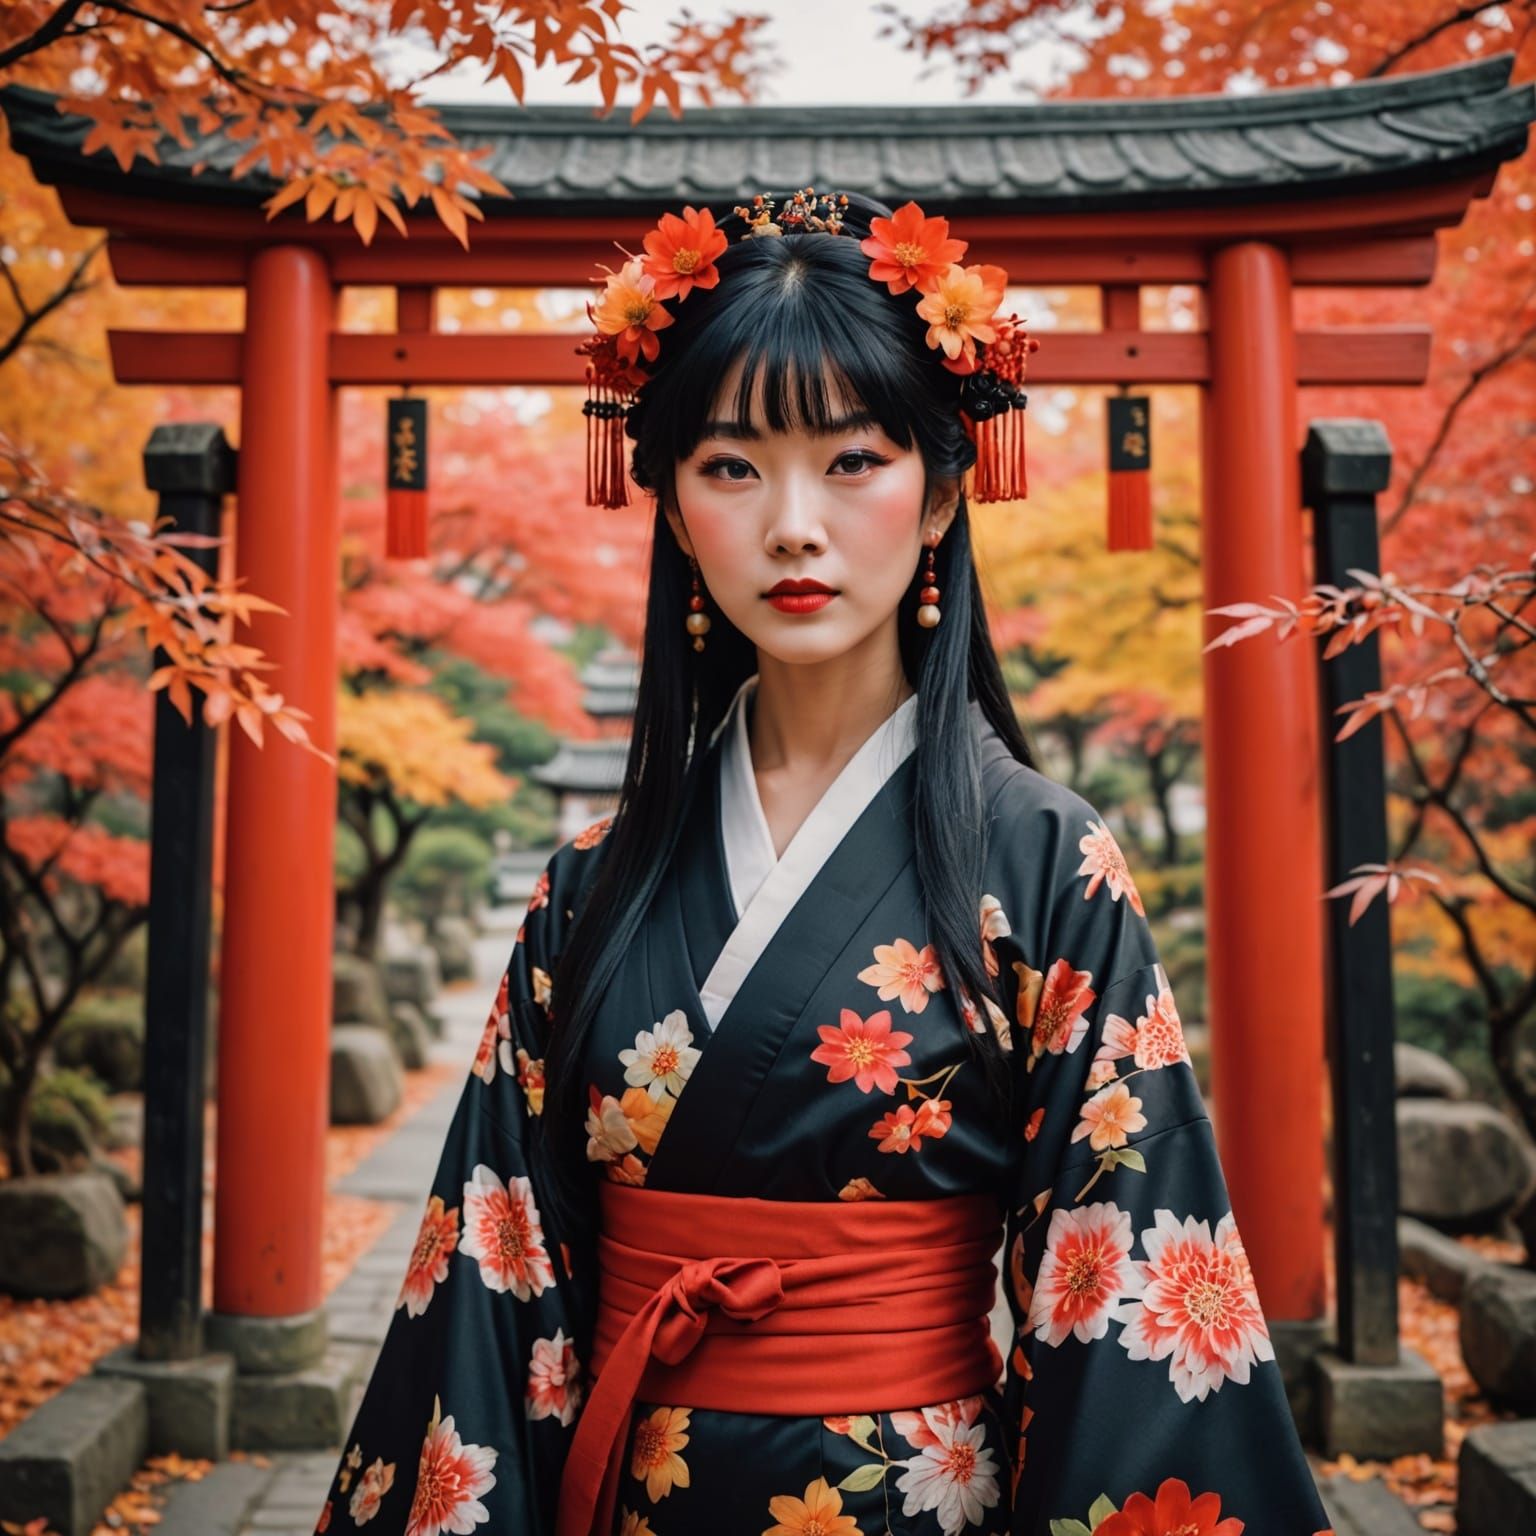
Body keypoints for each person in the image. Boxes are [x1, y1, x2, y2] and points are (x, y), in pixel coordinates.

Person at [311, 189, 1336, 1536]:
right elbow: (498, 1276)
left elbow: (1122, 1275)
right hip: (621, 1493)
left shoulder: (1041, 859)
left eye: (852, 460)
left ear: (944, 492)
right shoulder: (588, 887)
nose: (793, 524)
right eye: (732, 467)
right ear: (671, 509)